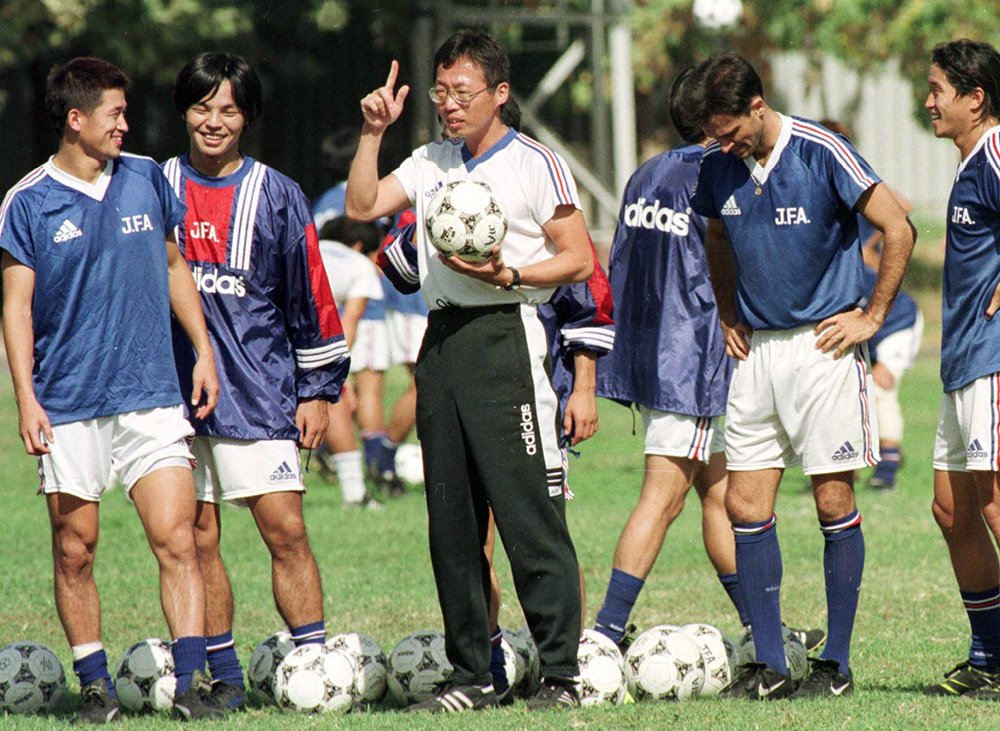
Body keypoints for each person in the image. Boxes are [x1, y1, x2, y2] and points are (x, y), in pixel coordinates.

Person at [346, 30, 594, 712]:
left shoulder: (534, 163)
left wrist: (512, 272)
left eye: (464, 92)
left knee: (527, 514)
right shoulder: (430, 161)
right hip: (441, 339)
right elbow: (363, 207)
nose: (450, 105)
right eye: (441, 92)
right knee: (450, 520)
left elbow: (577, 258)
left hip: (506, 337)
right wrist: (373, 134)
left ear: (500, 94)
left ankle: (564, 673)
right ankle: (471, 672)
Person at [0, 57, 223, 722]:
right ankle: (94, 686)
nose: (126, 124)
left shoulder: (148, 180)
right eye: (114, 114)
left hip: (152, 392)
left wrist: (204, 351)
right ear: (76, 119)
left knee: (178, 538)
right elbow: (15, 307)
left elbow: (175, 263)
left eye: (126, 113)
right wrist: (27, 398)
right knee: (75, 547)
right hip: (69, 405)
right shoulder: (28, 201)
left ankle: (190, 686)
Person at [687, 52, 915, 699]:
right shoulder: (719, 168)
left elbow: (898, 226)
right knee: (744, 503)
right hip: (755, 354)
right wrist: (728, 309)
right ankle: (769, 664)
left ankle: (835, 664)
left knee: (832, 501)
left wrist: (872, 315)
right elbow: (716, 236)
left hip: (823, 350)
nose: (724, 143)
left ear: (758, 106)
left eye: (731, 130)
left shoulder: (822, 150)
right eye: (716, 134)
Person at [592, 68, 822, 653]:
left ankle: (761, 630)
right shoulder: (717, 173)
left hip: (650, 349)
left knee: (720, 494)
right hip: (694, 356)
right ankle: (604, 635)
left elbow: (627, 261)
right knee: (662, 495)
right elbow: (730, 259)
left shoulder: (647, 173)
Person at [162, 52, 350, 710]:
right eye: (202, 107)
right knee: (198, 536)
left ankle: (313, 667)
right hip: (175, 398)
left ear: (247, 117)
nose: (214, 121)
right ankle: (227, 681)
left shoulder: (277, 193)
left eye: (228, 109)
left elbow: (311, 297)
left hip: (262, 390)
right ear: (184, 111)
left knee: (286, 529)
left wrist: (320, 389)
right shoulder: (153, 186)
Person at [923, 38, 1000, 699]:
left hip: (993, 360)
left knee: (997, 505)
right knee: (953, 509)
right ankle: (990, 656)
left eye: (937, 90)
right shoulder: (970, 160)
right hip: (960, 362)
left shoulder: (998, 150)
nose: (928, 101)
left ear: (976, 98)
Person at [820, 120, 924, 492]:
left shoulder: (861, 198)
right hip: (866, 321)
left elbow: (903, 210)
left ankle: (888, 470)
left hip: (897, 320)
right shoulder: (823, 209)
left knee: (881, 384)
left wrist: (874, 245)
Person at [317, 215, 386, 508]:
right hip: (313, 336)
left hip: (270, 331)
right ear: (359, 246)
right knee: (336, 403)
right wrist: (338, 374)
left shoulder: (309, 246)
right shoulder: (359, 266)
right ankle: (355, 493)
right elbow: (350, 323)